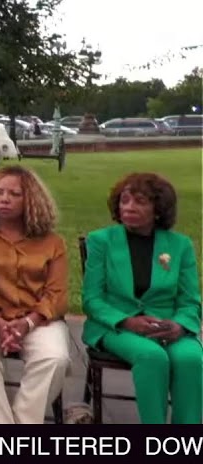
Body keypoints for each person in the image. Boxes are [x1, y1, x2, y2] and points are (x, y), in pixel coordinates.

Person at [0, 166, 70, 424]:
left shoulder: (53, 243)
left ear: (31, 200)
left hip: (38, 319)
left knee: (55, 357)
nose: (4, 199)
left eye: (14, 194)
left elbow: (57, 294)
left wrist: (28, 323)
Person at [82, 173, 201, 424]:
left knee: (191, 358)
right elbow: (92, 299)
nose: (129, 207)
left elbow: (190, 300)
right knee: (152, 356)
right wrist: (128, 321)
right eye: (124, 200)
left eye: (139, 201)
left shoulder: (180, 246)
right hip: (115, 326)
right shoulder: (101, 241)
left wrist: (179, 326)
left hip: (168, 326)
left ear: (158, 209)